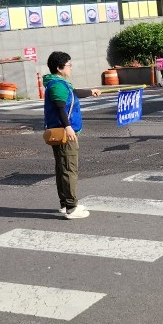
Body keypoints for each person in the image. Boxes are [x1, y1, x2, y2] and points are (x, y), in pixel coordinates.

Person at [43, 51, 101, 219]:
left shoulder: (58, 83)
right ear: (60, 68)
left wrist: (91, 92)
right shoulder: (57, 85)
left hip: (60, 131)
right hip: (65, 132)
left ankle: (65, 203)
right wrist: (68, 127)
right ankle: (71, 208)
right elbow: (61, 106)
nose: (71, 68)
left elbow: (74, 92)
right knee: (69, 168)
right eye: (69, 65)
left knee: (62, 168)